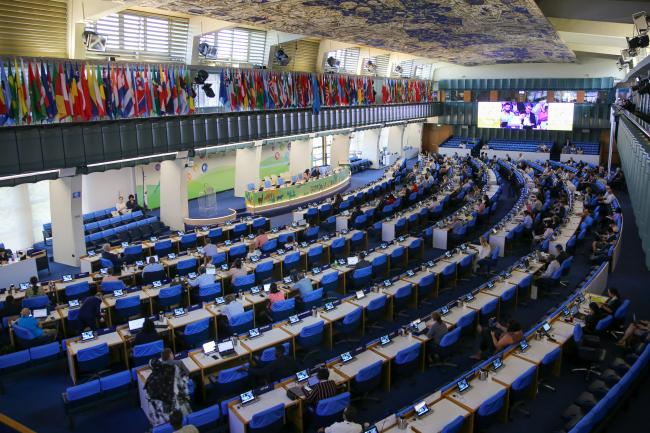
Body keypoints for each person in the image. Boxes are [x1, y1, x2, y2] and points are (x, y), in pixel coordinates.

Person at [143, 356, 192, 425]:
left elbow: (150, 398)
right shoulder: (171, 370)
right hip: (177, 405)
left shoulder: (151, 380)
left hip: (164, 410)